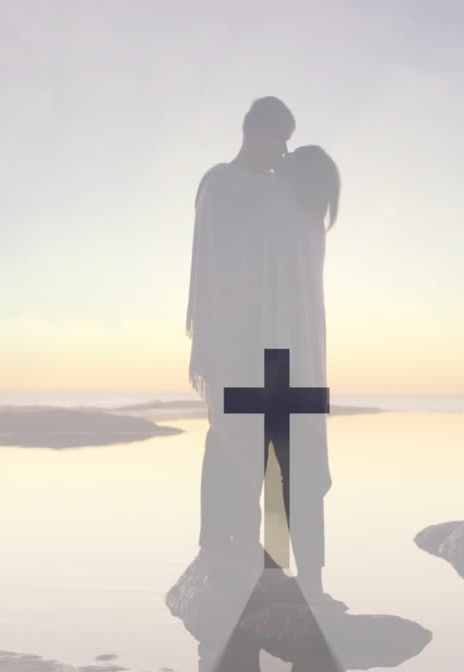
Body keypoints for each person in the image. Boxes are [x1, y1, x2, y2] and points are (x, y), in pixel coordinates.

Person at [185, 98, 343, 608]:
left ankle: (277, 568)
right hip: (252, 344)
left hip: (277, 349)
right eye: (281, 138)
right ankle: (238, 554)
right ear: (255, 132)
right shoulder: (229, 186)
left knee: (267, 454)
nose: (284, 150)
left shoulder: (289, 203)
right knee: (242, 451)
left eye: (289, 143)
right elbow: (216, 262)